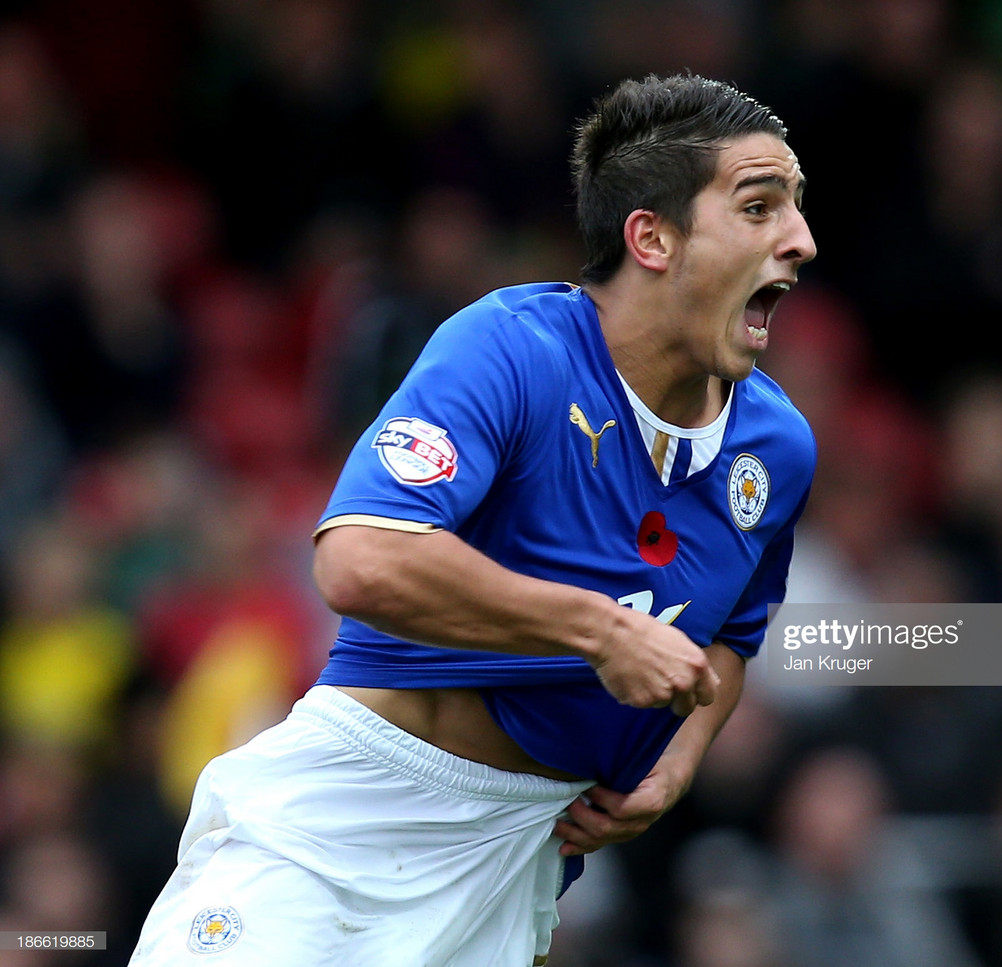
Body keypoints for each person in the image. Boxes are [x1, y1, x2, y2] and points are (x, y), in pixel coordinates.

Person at [129, 72, 817, 967]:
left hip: (518, 864)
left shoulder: (779, 447)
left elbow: (734, 632)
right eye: (760, 207)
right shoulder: (512, 348)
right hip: (345, 822)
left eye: (797, 207)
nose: (800, 241)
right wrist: (599, 630)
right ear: (652, 237)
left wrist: (674, 768)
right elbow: (360, 562)